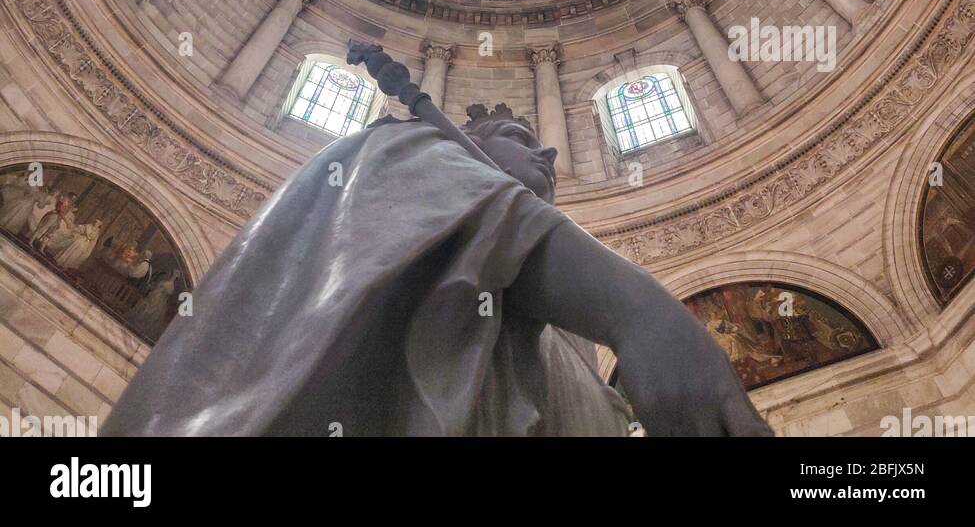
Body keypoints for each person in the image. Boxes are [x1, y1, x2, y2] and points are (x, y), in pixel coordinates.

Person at [102, 48, 772, 438]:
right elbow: (487, 219)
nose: (544, 150)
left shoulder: (565, 317)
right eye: (516, 140)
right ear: (469, 150)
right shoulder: (399, 150)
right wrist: (642, 314)